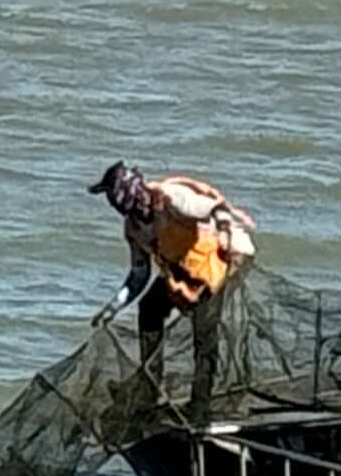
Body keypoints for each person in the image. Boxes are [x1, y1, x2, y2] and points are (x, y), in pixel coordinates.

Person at [91, 161, 256, 422]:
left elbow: (216, 207)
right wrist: (112, 309)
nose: (111, 202)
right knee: (149, 308)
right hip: (183, 268)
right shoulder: (134, 228)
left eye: (112, 195)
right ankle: (149, 389)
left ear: (127, 192)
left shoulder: (172, 199)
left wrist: (225, 234)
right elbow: (139, 274)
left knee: (204, 333)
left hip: (222, 258)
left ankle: (199, 409)